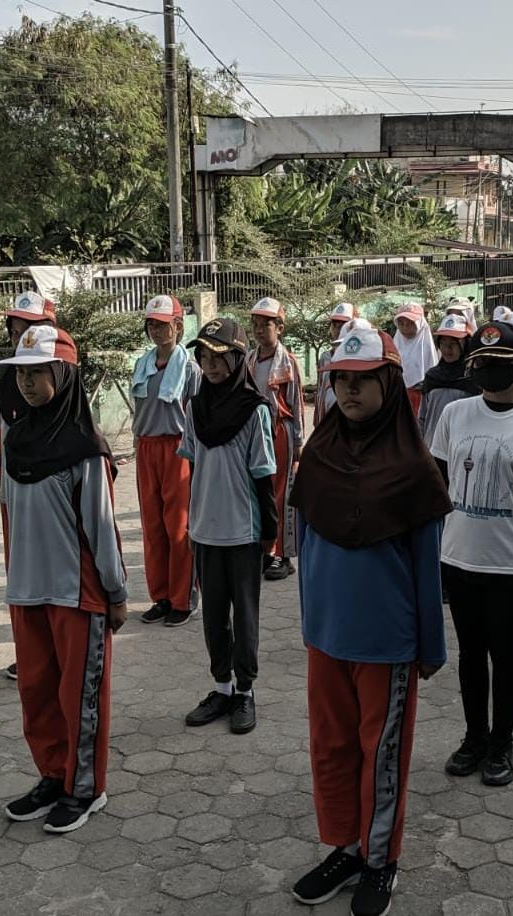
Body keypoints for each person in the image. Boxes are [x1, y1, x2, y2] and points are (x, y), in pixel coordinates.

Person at [288, 324, 451, 916]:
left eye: (362, 382)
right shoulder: (319, 456)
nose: (350, 393)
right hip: (326, 637)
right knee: (331, 747)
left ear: (388, 381)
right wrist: (309, 623)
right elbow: (303, 542)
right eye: (340, 381)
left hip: (387, 641)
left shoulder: (415, 469)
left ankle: (380, 860)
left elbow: (427, 570)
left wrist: (430, 647)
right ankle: (345, 845)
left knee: (380, 754)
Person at [0, 324, 127, 833]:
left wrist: (115, 592)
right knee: (37, 691)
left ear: (64, 374)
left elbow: (101, 526)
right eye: (21, 375)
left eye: (38, 373)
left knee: (80, 696)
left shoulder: (85, 449)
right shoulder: (16, 442)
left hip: (78, 593)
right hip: (27, 588)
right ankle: (53, 774)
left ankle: (86, 786)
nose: (27, 384)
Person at [431, 321, 513, 787]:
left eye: (498, 366)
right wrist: (433, 555)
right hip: (459, 557)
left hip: (510, 562)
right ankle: (474, 737)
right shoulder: (456, 415)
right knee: (469, 654)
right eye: (480, 364)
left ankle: (502, 742)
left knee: (505, 654)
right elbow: (437, 486)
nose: (487, 372)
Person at [181, 318, 278, 735]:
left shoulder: (254, 410)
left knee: (246, 618)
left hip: (243, 531)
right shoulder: (194, 408)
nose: (211, 365)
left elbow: (263, 474)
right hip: (206, 529)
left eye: (220, 357)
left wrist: (270, 530)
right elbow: (192, 467)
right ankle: (221, 687)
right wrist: (191, 522)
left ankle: (245, 691)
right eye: (204, 357)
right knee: (213, 616)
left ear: (238, 359)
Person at [0, 291, 57, 682]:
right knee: (20, 576)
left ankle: (55, 650)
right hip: (14, 494)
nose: (21, 338)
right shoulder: (9, 384)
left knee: (51, 574)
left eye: (29, 329)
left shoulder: (60, 384)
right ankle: (28, 651)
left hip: (52, 495)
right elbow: (1, 431)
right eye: (15, 330)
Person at [132, 295, 203, 626]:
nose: (157, 331)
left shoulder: (189, 368)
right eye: (151, 325)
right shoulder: (143, 365)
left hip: (177, 450)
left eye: (163, 324)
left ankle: (183, 599)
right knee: (152, 526)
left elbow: (197, 415)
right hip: (146, 449)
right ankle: (160, 594)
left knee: (179, 527)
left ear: (178, 325)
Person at [249, 297, 303, 581]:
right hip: (253, 432)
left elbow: (295, 405)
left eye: (266, 324)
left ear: (279, 327)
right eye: (256, 325)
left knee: (280, 494)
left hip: (278, 431)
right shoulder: (249, 359)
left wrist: (297, 443)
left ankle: (282, 555)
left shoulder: (288, 362)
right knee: (258, 491)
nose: (259, 330)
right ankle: (263, 549)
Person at [418, 314, 478, 445]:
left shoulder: (474, 379)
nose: (447, 349)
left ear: (466, 344)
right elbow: (422, 418)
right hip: (432, 448)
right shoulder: (432, 377)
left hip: (463, 449)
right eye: (443, 343)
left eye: (453, 344)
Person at [313, 302, 357, 427]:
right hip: (327, 423)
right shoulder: (325, 357)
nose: (338, 330)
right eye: (334, 325)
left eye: (343, 325)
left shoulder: (358, 360)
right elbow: (321, 392)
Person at [392, 302, 437, 416]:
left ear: (420, 324)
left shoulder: (425, 346)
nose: (405, 327)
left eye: (410, 323)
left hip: (421, 397)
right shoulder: (395, 346)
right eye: (401, 323)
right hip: (398, 397)